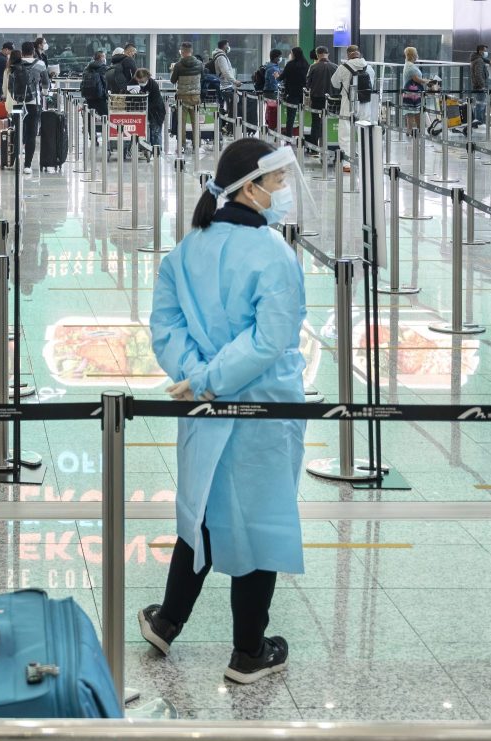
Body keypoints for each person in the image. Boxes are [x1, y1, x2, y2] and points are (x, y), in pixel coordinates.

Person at [140, 138, 307, 686]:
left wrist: (196, 379)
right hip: (261, 408)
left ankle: (168, 621)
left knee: (203, 512)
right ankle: (248, 651)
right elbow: (268, 340)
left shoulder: (187, 249)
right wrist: (213, 381)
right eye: (276, 183)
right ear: (251, 189)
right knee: (259, 520)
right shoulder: (274, 256)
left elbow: (166, 328)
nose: (282, 192)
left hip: (202, 409)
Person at [331, 44, 374, 167]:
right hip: (365, 103)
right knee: (364, 131)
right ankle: (365, 160)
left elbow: (334, 83)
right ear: (359, 53)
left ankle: (347, 163)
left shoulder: (342, 68)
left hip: (348, 102)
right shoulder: (369, 68)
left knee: (345, 131)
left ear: (348, 54)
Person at [13, 40, 49, 175]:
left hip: (17, 103)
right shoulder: (40, 64)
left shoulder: (15, 64)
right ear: (33, 51)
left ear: (22, 51)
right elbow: (45, 82)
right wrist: (44, 92)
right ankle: (27, 165)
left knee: (18, 131)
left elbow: (11, 84)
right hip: (34, 103)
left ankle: (16, 160)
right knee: (31, 134)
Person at [171, 42, 205, 152]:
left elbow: (173, 81)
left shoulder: (178, 65)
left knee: (181, 123)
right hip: (195, 97)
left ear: (182, 51)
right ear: (191, 51)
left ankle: (182, 146)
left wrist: (172, 70)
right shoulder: (200, 64)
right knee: (196, 123)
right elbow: (203, 78)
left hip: (182, 97)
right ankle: (196, 146)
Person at [106, 47, 135, 160]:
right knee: (128, 121)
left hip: (115, 97)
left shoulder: (112, 64)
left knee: (116, 120)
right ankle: (126, 149)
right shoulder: (128, 61)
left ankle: (115, 146)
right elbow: (135, 76)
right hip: (126, 97)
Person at [306, 46, 333, 150]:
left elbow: (308, 84)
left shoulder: (313, 67)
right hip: (331, 100)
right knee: (329, 122)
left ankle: (314, 148)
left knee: (316, 123)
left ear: (317, 55)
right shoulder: (335, 67)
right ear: (328, 54)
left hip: (316, 99)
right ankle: (328, 146)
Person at [280, 47, 308, 137]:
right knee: (303, 115)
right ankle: (302, 135)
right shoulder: (306, 64)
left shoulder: (290, 65)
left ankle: (289, 135)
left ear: (294, 54)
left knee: (291, 116)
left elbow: (281, 77)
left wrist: (277, 76)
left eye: (291, 53)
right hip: (303, 94)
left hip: (292, 93)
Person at [82, 50, 109, 140]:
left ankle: (92, 136)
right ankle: (107, 136)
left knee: (90, 116)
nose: (105, 59)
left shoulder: (87, 67)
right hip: (100, 96)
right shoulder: (103, 67)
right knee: (106, 116)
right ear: (101, 58)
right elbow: (105, 82)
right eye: (104, 57)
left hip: (89, 96)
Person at [136, 67, 165, 153]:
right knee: (143, 132)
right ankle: (146, 149)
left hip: (156, 112)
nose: (141, 83)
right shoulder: (133, 83)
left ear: (147, 77)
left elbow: (156, 102)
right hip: (143, 111)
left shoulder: (153, 85)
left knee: (155, 132)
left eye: (142, 81)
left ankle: (157, 152)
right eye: (139, 81)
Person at [399, 47, 425, 137]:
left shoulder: (408, 64)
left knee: (410, 112)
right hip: (413, 93)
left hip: (408, 92)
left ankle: (409, 130)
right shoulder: (410, 66)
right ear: (413, 54)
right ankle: (419, 129)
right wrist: (427, 81)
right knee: (416, 111)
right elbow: (417, 79)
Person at [469, 44, 491, 125]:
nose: (486, 52)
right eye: (485, 50)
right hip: (480, 86)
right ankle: (478, 121)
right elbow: (478, 74)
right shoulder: (479, 61)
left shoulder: (477, 59)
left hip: (476, 84)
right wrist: (483, 85)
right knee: (480, 104)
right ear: (480, 51)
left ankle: (478, 121)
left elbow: (483, 59)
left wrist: (489, 61)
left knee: (479, 103)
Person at [211, 39, 237, 112]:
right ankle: (228, 122)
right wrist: (235, 81)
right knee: (231, 109)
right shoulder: (221, 57)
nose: (229, 47)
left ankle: (228, 122)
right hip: (226, 86)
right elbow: (225, 72)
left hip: (225, 85)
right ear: (225, 46)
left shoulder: (221, 56)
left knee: (229, 108)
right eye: (228, 45)